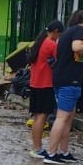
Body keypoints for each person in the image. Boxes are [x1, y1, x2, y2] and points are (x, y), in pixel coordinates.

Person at [44, 11, 83, 165]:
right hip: (69, 81)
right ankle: (51, 153)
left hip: (62, 79)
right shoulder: (80, 30)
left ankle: (63, 152)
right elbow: (77, 47)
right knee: (62, 118)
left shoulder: (66, 33)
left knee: (68, 118)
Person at [26, 23, 62, 158]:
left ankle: (36, 147)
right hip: (45, 85)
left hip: (35, 84)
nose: (59, 38)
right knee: (42, 117)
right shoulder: (50, 44)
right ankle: (38, 149)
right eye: (60, 35)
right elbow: (61, 59)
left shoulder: (39, 42)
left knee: (37, 117)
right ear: (56, 31)